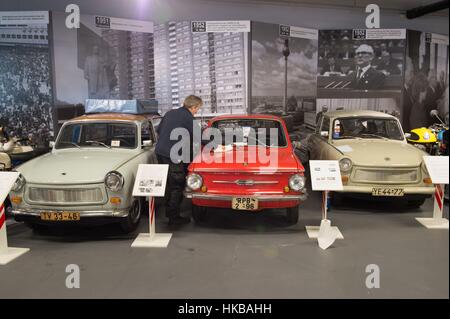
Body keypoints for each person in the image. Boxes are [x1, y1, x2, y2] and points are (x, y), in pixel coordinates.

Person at [155, 95, 203, 225]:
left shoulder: (170, 113)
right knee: (177, 184)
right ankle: (173, 217)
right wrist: (217, 144)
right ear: (194, 107)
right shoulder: (189, 118)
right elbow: (200, 137)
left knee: (168, 182)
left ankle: (168, 209)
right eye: (198, 109)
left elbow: (158, 130)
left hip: (160, 152)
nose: (197, 111)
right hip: (173, 155)